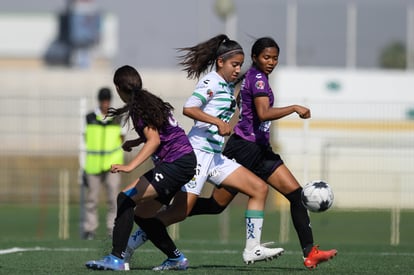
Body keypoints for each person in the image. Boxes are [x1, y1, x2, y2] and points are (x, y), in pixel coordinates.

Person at [123, 34, 284, 268]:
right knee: (178, 213)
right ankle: (127, 249)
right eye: (234, 64)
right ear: (221, 62)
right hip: (197, 154)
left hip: (216, 157)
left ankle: (252, 249)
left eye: (240, 65)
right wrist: (217, 123)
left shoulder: (227, 86)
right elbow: (189, 108)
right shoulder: (211, 82)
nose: (238, 69)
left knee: (259, 189)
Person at [188, 37, 338, 270]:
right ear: (255, 58)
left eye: (275, 58)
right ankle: (169, 213)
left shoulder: (257, 78)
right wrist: (294, 108)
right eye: (266, 57)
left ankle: (310, 252)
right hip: (244, 148)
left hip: (261, 150)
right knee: (216, 205)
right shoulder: (257, 78)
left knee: (297, 196)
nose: (271, 62)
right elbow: (264, 113)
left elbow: (246, 107)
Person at [85, 65, 197, 271]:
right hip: (185, 162)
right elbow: (161, 131)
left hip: (176, 163)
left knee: (125, 198)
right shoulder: (147, 100)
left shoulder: (138, 107)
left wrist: (130, 166)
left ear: (118, 88)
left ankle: (116, 258)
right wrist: (137, 141)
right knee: (143, 215)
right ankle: (176, 259)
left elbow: (153, 140)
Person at [81, 87, 125, 240]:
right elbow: (85, 138)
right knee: (92, 199)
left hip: (113, 165)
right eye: (103, 100)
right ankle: (89, 230)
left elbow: (122, 139)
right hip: (93, 165)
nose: (105, 104)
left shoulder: (117, 118)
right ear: (99, 101)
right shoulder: (89, 118)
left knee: (113, 199)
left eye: (107, 100)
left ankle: (112, 230)